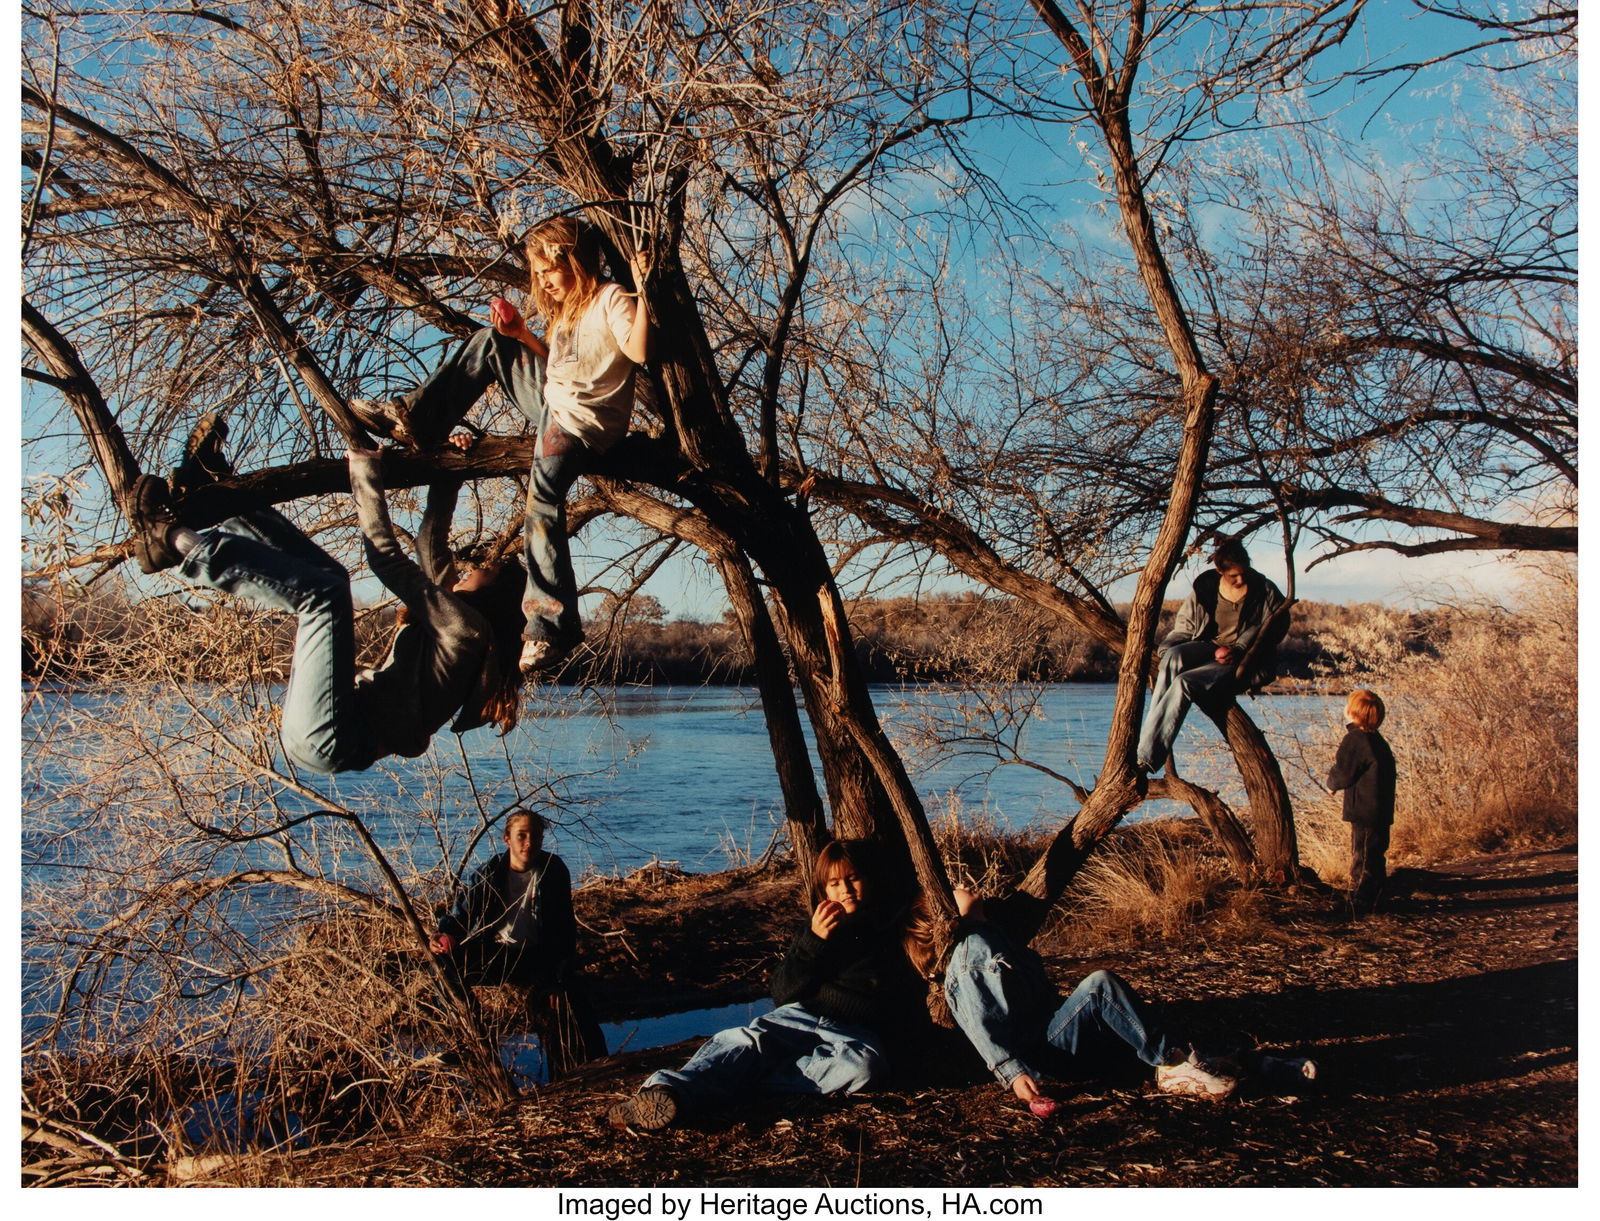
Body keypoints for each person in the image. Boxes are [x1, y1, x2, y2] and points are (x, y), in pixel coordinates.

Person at [126, 414, 525, 774]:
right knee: (328, 574)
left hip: (337, 735)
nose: (473, 568)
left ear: (497, 596)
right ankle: (212, 484)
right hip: (334, 728)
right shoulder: (459, 624)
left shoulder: (466, 629)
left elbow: (387, 560)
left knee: (325, 595)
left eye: (484, 570)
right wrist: (452, 466)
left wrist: (365, 472)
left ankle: (174, 543)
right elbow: (429, 544)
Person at [350, 216, 651, 678]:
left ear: (574, 261)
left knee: (542, 502)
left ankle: (552, 625)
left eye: (550, 271)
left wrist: (643, 292)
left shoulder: (610, 298)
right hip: (553, 400)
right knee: (489, 341)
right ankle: (417, 420)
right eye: (540, 274)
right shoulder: (567, 312)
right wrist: (520, 337)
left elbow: (637, 352)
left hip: (581, 422)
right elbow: (558, 368)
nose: (545, 282)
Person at [605, 839, 926, 1131]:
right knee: (746, 1043)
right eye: (835, 883)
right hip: (803, 1015)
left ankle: (742, 1085)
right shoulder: (816, 929)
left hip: (852, 1031)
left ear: (870, 879)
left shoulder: (891, 926)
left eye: (853, 878)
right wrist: (814, 941)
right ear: (824, 891)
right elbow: (783, 993)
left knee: (863, 1066)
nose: (846, 890)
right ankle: (664, 1091)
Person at [904, 890, 1258, 1116]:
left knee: (1117, 1018)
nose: (961, 885)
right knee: (1098, 986)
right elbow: (981, 1023)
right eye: (952, 890)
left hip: (1052, 1037)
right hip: (1041, 1056)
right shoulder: (971, 956)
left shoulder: (988, 936)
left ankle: (1214, 1064)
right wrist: (1011, 1074)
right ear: (941, 920)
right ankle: (1172, 1066)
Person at [432, 808, 604, 1071]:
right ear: (507, 839)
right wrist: (444, 934)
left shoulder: (553, 869)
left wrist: (559, 972)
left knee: (577, 1011)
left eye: (535, 836)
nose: (529, 843)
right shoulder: (488, 872)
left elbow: (564, 927)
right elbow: (462, 915)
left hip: (539, 957)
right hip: (498, 953)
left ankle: (598, 1066)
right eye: (521, 835)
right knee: (443, 965)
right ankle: (471, 1039)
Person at [1137, 538, 1289, 774]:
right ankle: (1144, 744)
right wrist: (1167, 648)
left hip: (1242, 659)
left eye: (1243, 573)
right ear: (1220, 571)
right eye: (1234, 576)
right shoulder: (1206, 587)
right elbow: (1185, 626)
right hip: (1208, 647)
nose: (1240, 580)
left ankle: (1145, 759)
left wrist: (1239, 651)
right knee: (1173, 657)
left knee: (1184, 683)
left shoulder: (1264, 590)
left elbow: (1272, 631)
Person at [1327, 688, 1397, 915]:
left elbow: (1345, 771)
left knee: (1363, 855)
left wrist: (1332, 784)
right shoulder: (1376, 740)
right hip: (1381, 808)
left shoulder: (1355, 739)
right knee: (1375, 854)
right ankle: (1377, 893)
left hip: (1364, 808)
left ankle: (1362, 901)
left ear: (1353, 713)